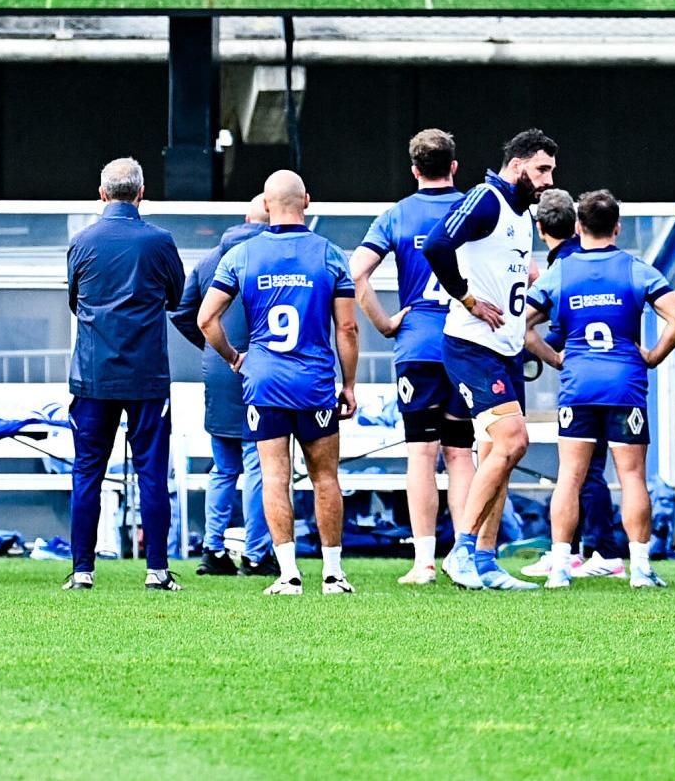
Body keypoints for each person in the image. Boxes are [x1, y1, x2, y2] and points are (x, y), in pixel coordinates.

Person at [198, 170, 359, 596]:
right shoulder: (329, 254)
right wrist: (350, 385)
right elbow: (347, 329)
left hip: (264, 382)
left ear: (267, 206)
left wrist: (235, 358)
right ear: (307, 200)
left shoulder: (241, 256)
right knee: (326, 477)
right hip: (315, 382)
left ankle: (287, 574)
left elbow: (205, 319)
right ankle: (333, 574)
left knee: (273, 477)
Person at [418, 127, 559, 591]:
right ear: (517, 165)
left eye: (551, 171)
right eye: (542, 169)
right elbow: (437, 245)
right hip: (472, 346)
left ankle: (485, 560)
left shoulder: (520, 213)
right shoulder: (485, 199)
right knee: (513, 441)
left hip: (505, 351)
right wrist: (467, 298)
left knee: (496, 451)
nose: (547, 179)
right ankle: (460, 551)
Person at [525, 189, 675, 589]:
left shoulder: (561, 271)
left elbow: (521, 325)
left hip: (579, 387)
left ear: (578, 227)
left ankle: (559, 568)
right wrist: (656, 353)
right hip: (626, 385)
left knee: (570, 476)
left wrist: (554, 358)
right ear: (618, 227)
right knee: (631, 477)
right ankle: (640, 568)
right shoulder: (636, 269)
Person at [349, 129, 472, 585]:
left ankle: (422, 562)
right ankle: (465, 557)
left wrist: (383, 322)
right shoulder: (475, 208)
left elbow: (355, 273)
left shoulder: (397, 215)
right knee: (461, 454)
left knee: (420, 454)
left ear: (415, 169)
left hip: (417, 344)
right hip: (466, 342)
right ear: (454, 166)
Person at [62, 156, 184, 592]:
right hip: (148, 375)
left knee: (87, 471)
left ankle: (82, 570)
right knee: (153, 472)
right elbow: (176, 296)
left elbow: (75, 301)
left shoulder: (83, 241)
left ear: (101, 194)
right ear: (141, 193)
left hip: (93, 375)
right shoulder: (160, 242)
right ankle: (156, 570)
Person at [176, 196, 279, 578]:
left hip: (218, 369)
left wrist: (215, 347)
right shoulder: (270, 256)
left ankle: (212, 549)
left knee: (222, 467)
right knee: (257, 463)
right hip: (261, 366)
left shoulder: (208, 260)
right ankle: (255, 553)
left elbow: (184, 313)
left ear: (244, 218)